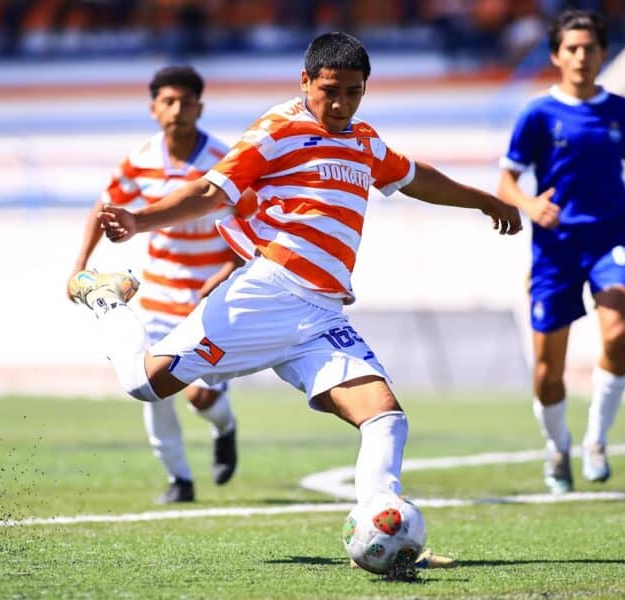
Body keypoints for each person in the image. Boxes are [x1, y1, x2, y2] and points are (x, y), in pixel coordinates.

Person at [71, 32, 521, 574]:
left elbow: (413, 176)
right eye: (330, 91)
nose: (342, 104)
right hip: (266, 295)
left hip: (322, 315)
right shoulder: (279, 128)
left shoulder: (364, 141)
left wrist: (483, 200)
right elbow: (212, 191)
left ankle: (383, 530)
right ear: (305, 81)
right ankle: (107, 300)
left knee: (385, 418)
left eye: (354, 92)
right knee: (144, 384)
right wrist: (139, 219)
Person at [498, 10, 625, 494]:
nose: (581, 56)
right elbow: (506, 181)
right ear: (556, 55)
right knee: (547, 372)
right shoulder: (537, 114)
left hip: (612, 240)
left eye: (589, 48)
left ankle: (597, 439)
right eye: (571, 48)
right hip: (556, 250)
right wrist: (531, 205)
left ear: (603, 53)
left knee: (617, 333)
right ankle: (558, 448)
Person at [69, 66, 247, 504]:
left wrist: (227, 269)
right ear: (153, 109)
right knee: (151, 386)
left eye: (186, 101)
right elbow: (105, 205)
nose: (177, 109)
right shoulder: (140, 159)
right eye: (169, 101)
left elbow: (252, 220)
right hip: (159, 295)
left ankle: (225, 426)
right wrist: (80, 265)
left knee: (201, 396)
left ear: (200, 108)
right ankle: (179, 478)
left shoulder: (225, 159)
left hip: (210, 296)